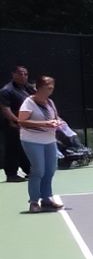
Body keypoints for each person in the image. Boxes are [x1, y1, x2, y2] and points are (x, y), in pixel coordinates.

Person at [17, 75, 65, 214]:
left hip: (49, 140)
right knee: (38, 170)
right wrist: (44, 124)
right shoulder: (28, 102)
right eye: (47, 88)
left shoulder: (50, 102)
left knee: (50, 170)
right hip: (31, 140)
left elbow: (54, 118)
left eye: (52, 88)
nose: (50, 91)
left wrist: (58, 122)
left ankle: (46, 199)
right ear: (38, 87)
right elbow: (22, 121)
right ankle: (33, 202)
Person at [2, 65, 35, 182]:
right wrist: (17, 121)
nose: (23, 76)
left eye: (25, 74)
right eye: (20, 74)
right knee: (13, 149)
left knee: (24, 148)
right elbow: (5, 109)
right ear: (13, 74)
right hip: (12, 125)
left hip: (27, 124)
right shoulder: (7, 90)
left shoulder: (28, 88)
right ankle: (11, 174)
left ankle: (29, 171)